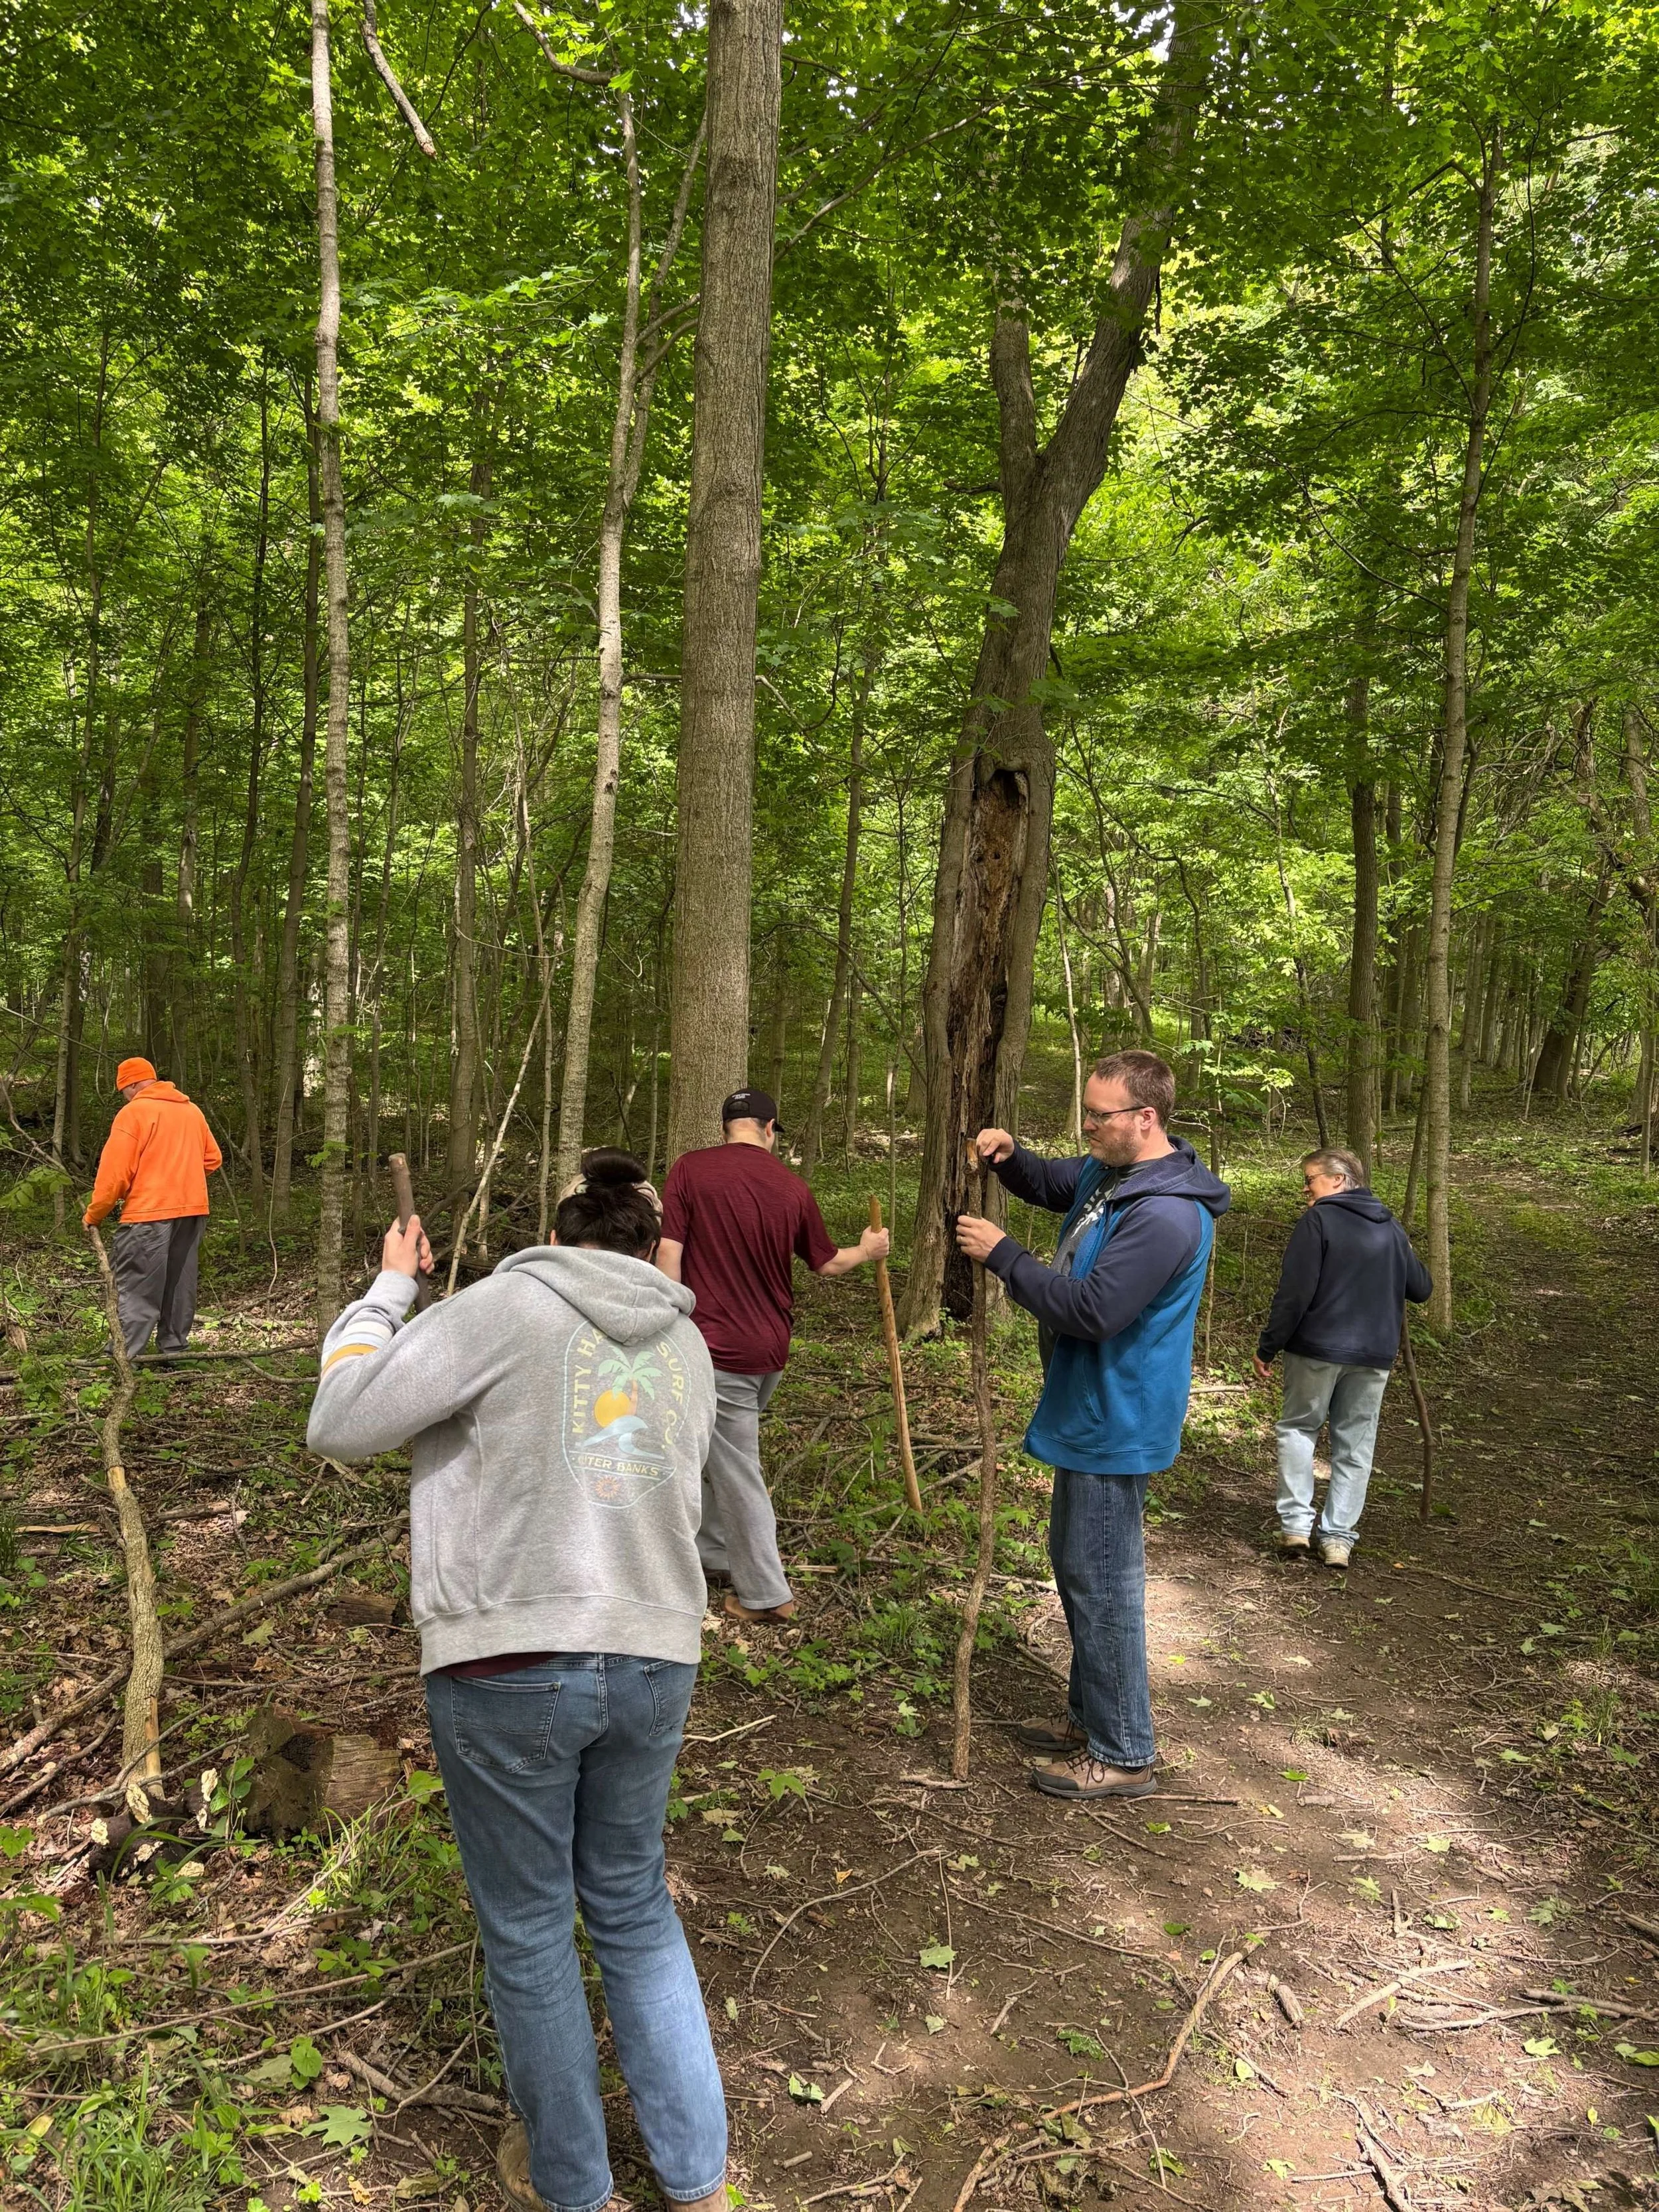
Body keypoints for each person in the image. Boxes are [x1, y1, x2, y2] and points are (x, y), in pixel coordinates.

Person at [306, 1150, 729, 2212]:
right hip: (657, 1650)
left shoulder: (503, 1306)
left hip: (511, 1655)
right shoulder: (686, 1339)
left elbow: (340, 1417)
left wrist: (389, 1289)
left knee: (533, 1926)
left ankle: (570, 2183)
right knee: (633, 1905)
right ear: (648, 1246)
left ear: (557, 1235)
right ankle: (697, 2179)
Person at [956, 1050, 1230, 1803]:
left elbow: (1093, 1310)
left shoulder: (1166, 1213)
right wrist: (1011, 1157)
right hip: (1088, 1406)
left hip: (1118, 1413)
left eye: (1097, 1115)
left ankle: (1125, 1750)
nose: (1086, 1125)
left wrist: (1004, 1256)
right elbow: (1056, 1183)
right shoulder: (1113, 1175)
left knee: (1103, 1582)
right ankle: (1091, 1718)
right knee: (1081, 1568)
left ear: (1146, 1118)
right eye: (1085, 1111)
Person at [656, 1087, 889, 1626]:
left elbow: (669, 1252)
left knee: (735, 1466)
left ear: (726, 1128)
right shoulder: (791, 1186)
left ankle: (766, 1594)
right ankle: (716, 1552)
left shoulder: (690, 1170)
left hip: (716, 1348)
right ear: (769, 1129)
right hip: (769, 1349)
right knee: (717, 1454)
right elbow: (827, 1264)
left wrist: (667, 1324)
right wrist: (868, 1249)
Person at [1253, 1145, 1431, 1569]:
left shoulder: (1318, 1221)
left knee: (1299, 1429)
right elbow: (1422, 1287)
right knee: (1355, 1445)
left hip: (1315, 1348)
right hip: (1373, 1354)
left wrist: (1268, 1346)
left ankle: (1296, 1526)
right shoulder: (1390, 1226)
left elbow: (1295, 1293)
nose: (1305, 1189)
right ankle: (1338, 1540)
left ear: (1337, 1180)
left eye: (1310, 1179)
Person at [82, 1056, 223, 1359]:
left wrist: (95, 1214)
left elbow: (115, 1174)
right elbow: (213, 1159)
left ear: (132, 1084)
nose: (125, 1096)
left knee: (137, 1286)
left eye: (124, 1090)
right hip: (192, 1211)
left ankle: (124, 1358)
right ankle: (174, 1353)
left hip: (148, 1214)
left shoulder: (134, 1113)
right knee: (179, 1285)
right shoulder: (192, 1111)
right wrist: (181, 1178)